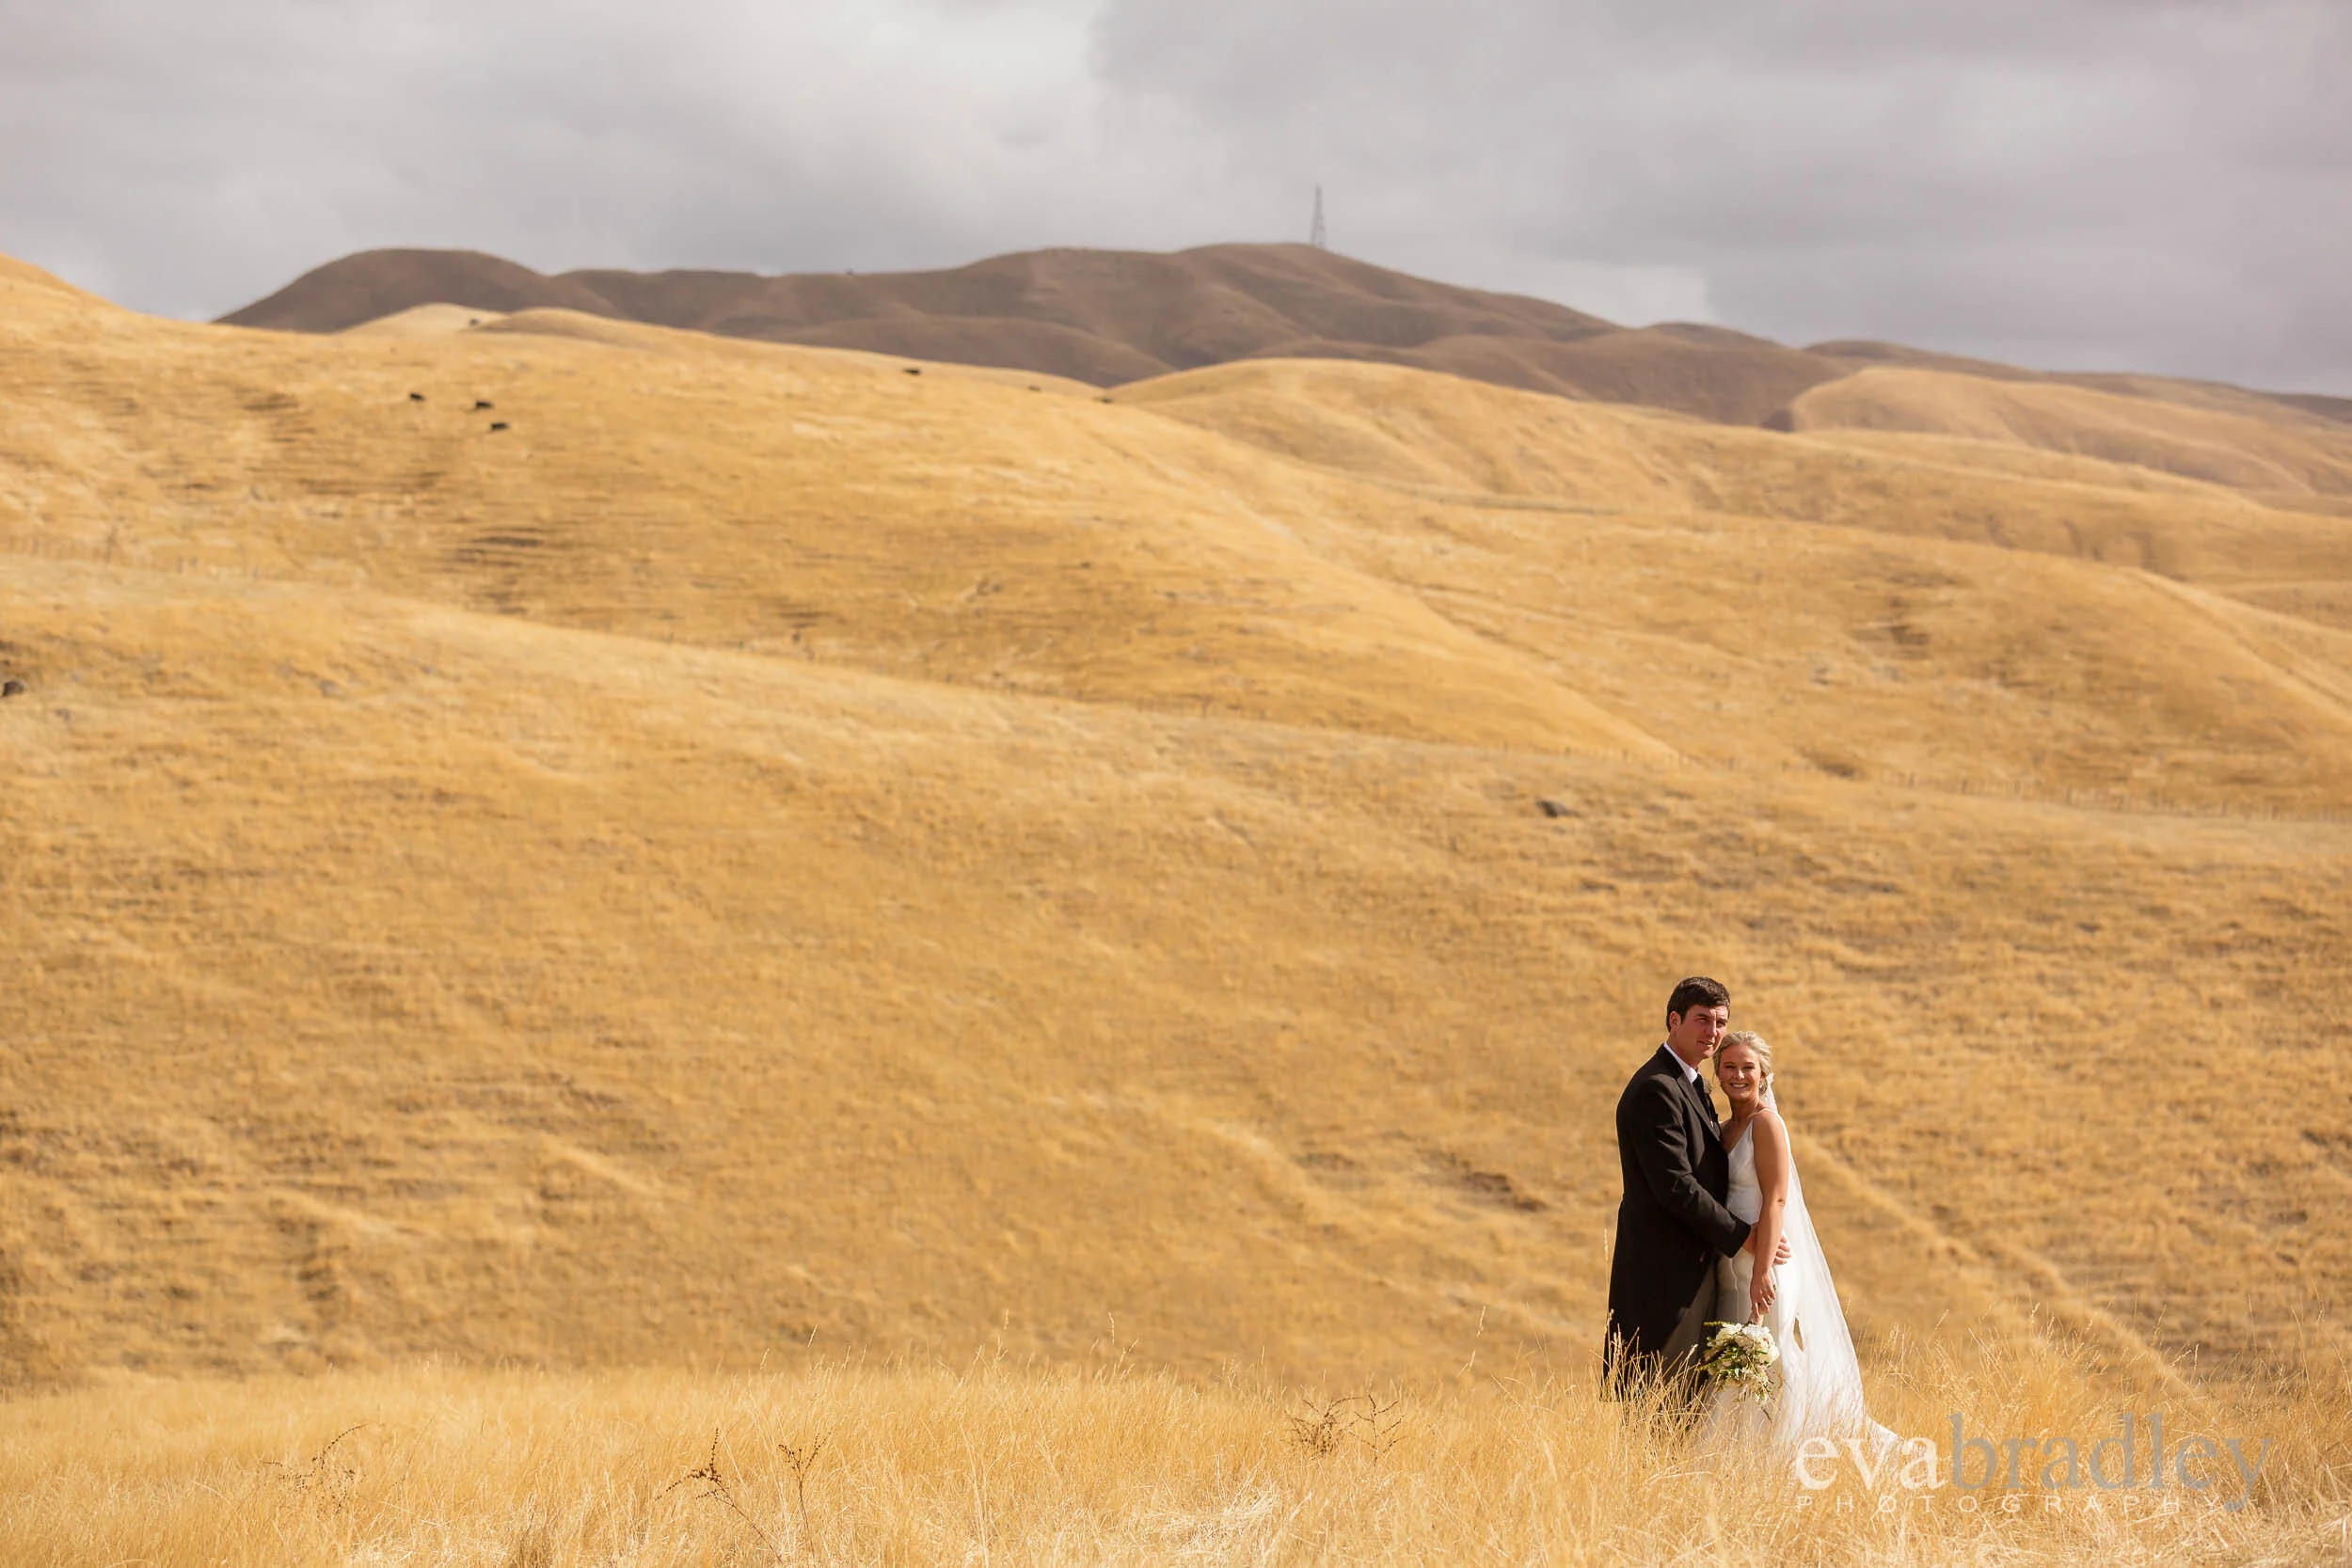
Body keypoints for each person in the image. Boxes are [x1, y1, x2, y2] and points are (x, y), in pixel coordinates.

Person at [1694, 1031, 1893, 1456]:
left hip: (1766, 1263)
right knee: (1737, 1363)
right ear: (1718, 1073)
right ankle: (1739, 1458)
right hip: (1731, 1265)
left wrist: (1764, 1268)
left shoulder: (1767, 1124)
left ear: (1764, 1074)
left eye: (1748, 1067)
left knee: (1777, 1360)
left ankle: (1789, 1457)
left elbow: (1776, 1198)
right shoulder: (1725, 1128)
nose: (1738, 1075)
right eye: (1729, 1067)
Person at [1603, 977, 1786, 1401]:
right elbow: (1676, 1186)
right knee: (1658, 1397)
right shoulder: (1656, 1088)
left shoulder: (1694, 1086)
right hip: (1663, 1275)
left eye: (1721, 1022)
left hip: (1703, 1268)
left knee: (1692, 1400)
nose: (1713, 1032)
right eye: (1702, 1020)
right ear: (1674, 1020)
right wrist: (1746, 1237)